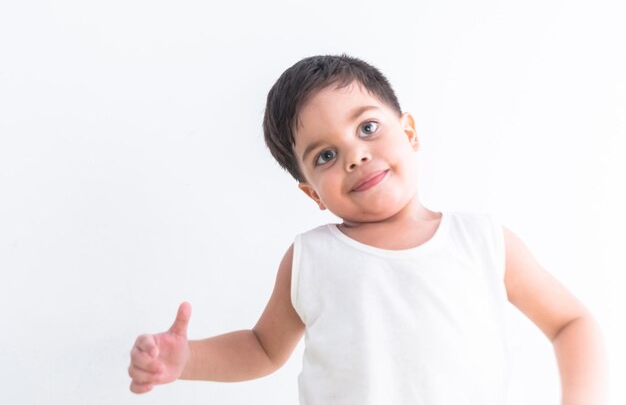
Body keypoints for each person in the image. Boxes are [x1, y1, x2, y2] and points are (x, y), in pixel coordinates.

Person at [128, 54, 607, 404]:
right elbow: (262, 348)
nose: (355, 155)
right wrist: (185, 361)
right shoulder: (310, 258)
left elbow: (571, 323)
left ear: (410, 132)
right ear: (313, 193)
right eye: (326, 156)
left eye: (368, 128)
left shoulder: (480, 239)